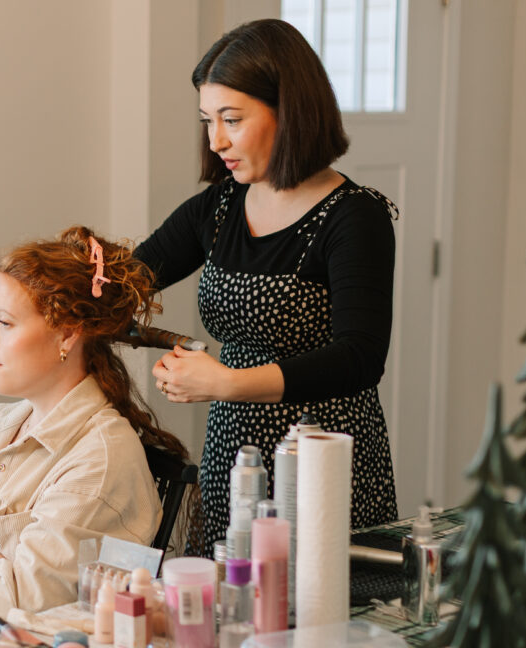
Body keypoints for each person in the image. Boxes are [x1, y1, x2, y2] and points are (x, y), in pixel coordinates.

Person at [133, 18, 399, 555]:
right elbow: (132, 278)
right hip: (233, 454)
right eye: (208, 120)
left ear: (290, 110)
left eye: (232, 119)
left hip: (320, 458)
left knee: (317, 621)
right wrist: (87, 276)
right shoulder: (220, 206)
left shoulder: (353, 217)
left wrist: (226, 382)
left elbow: (360, 357)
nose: (216, 140)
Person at [0, 225, 189, 622]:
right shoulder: (11, 424)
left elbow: (13, 610)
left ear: (67, 333)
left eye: (4, 323)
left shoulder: (99, 460)